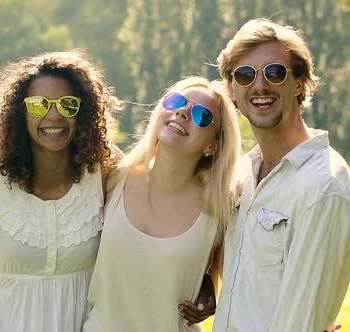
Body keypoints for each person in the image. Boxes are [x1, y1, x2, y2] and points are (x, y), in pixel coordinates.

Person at [210, 18, 350, 331]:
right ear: (232, 91)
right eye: (245, 74)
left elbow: (300, 322)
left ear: (301, 84)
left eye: (275, 73)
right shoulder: (243, 175)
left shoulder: (323, 186)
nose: (260, 85)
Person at [0, 50, 121, 332]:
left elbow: (153, 211)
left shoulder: (104, 171)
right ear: (20, 113)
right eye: (39, 105)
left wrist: (202, 280)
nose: (54, 116)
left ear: (83, 112)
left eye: (67, 104)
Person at [83, 76, 241, 332]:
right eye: (177, 101)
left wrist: (206, 284)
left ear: (213, 145)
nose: (182, 113)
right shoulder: (111, 176)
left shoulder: (221, 208)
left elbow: (235, 278)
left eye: (201, 115)